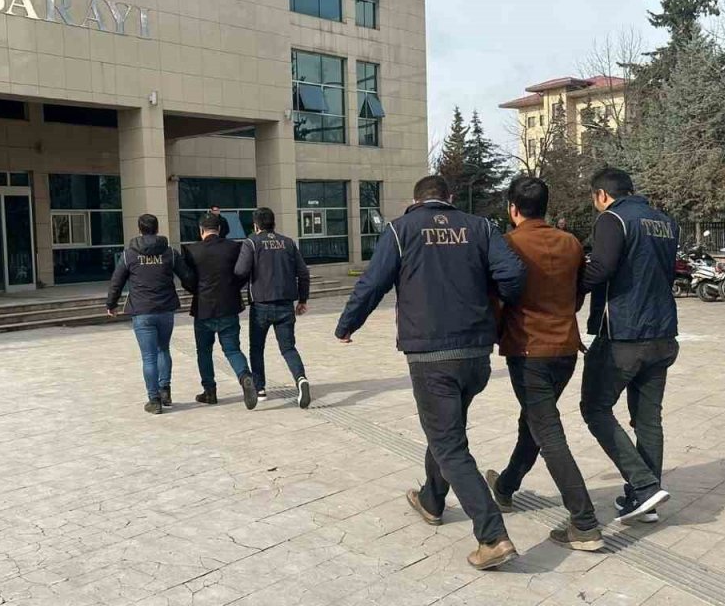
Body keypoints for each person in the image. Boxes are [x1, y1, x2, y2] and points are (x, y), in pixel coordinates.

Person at [335, 175, 526, 570]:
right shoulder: (480, 227)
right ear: (450, 198)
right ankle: (432, 499)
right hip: (475, 353)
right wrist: (492, 308)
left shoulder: (401, 230)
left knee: (450, 444)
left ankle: (492, 536)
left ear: (415, 200)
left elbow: (372, 283)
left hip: (431, 354)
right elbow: (513, 274)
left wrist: (348, 324)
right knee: (447, 432)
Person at [483, 176, 603, 551]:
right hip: (565, 350)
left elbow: (498, 296)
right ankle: (505, 486)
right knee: (533, 422)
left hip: (529, 350)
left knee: (547, 431)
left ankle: (584, 522)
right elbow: (578, 292)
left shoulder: (508, 244)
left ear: (512, 208)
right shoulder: (569, 243)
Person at [579, 167, 680, 523]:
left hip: (623, 333)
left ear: (602, 195)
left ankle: (645, 486)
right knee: (648, 418)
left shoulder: (613, 220)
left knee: (594, 408)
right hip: (664, 333)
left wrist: (571, 289)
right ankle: (644, 496)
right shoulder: (665, 222)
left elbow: (601, 268)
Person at [106, 214, 192, 415]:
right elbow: (187, 276)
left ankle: (154, 400)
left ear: (140, 229)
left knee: (148, 357)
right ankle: (165, 391)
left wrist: (111, 304)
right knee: (164, 350)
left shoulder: (129, 254)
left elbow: (116, 282)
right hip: (165, 310)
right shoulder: (169, 252)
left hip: (142, 311)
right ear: (157, 228)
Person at [235, 207, 312, 408]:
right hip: (286, 304)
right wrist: (302, 300)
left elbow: (240, 271)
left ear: (256, 225)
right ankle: (301, 379)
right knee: (288, 347)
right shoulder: (288, 242)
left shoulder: (251, 242)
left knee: (257, 348)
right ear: (273, 223)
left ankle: (259, 388)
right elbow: (303, 273)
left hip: (261, 305)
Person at [183, 212, 259, 409]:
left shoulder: (192, 250)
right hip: (229, 305)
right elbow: (243, 272)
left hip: (203, 308)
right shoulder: (234, 247)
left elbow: (188, 280)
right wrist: (233, 287)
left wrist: (197, 290)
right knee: (232, 348)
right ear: (219, 230)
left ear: (201, 231)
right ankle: (245, 376)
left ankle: (210, 391)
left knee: (204, 351)